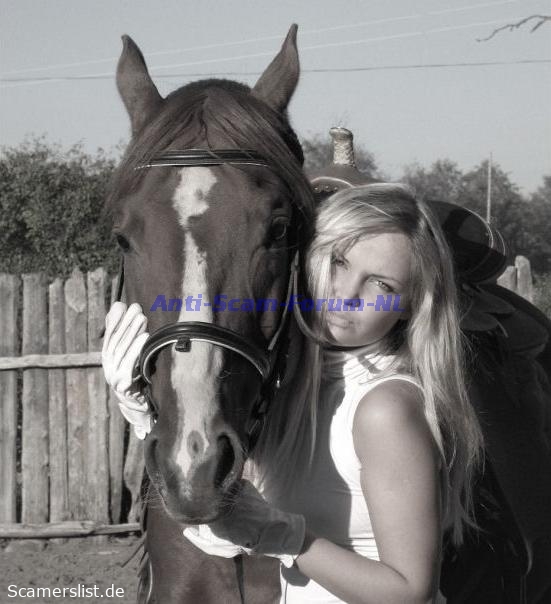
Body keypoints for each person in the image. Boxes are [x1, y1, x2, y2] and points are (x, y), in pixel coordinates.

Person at [102, 183, 483, 603]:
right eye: (339, 262)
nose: (346, 295)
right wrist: (141, 409)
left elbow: (410, 592)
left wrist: (284, 537)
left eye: (381, 285)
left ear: (411, 304)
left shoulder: (382, 409)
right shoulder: (300, 389)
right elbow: (212, 501)